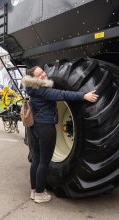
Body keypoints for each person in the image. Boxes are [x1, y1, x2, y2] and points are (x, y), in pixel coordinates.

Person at [21, 66, 99, 204]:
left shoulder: (31, 88)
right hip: (45, 128)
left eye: (43, 72)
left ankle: (34, 190)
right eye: (40, 74)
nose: (44, 75)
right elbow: (62, 94)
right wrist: (83, 95)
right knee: (44, 162)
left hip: (35, 127)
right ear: (34, 78)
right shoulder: (43, 90)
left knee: (37, 160)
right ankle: (39, 193)